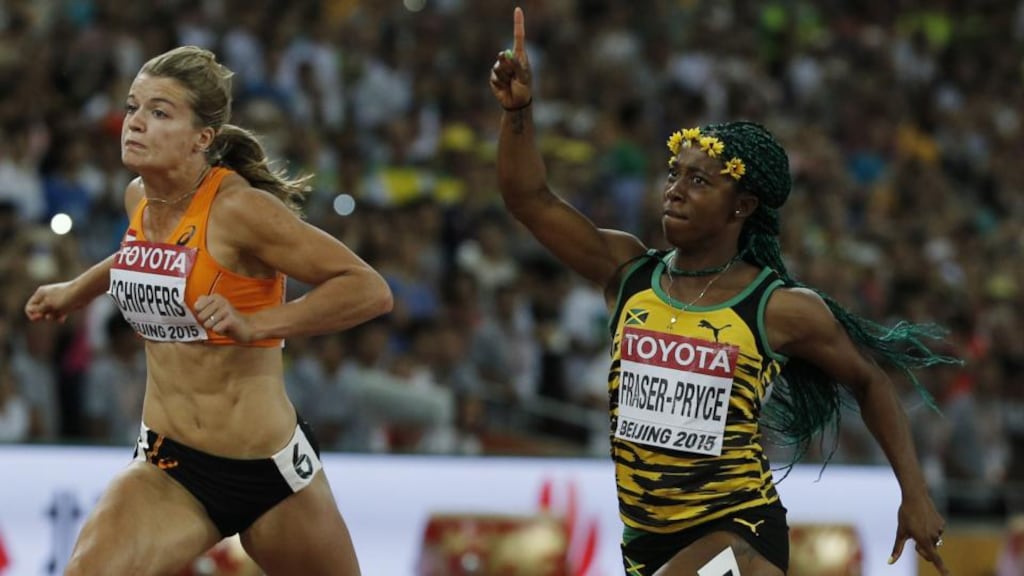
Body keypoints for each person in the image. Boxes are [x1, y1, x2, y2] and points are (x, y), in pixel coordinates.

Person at [490, 8, 957, 576]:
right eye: (674, 174)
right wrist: (519, 113)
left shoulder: (777, 306)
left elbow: (869, 380)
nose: (675, 191)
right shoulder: (628, 272)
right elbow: (529, 201)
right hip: (644, 537)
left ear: (742, 206)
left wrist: (915, 492)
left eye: (698, 180)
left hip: (740, 525)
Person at [24, 45, 392, 576]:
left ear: (203, 139)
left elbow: (367, 288)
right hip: (169, 465)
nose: (136, 124)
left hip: (270, 474)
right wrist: (76, 289)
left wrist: (258, 324)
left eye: (159, 112)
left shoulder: (239, 210)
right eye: (133, 108)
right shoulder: (140, 199)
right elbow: (144, 257)